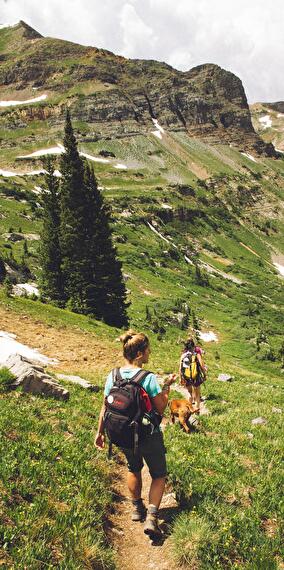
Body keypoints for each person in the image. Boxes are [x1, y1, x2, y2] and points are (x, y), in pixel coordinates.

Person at [95, 330, 175, 539]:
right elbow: (160, 408)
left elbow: (105, 406)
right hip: (148, 433)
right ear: (139, 354)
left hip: (121, 433)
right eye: (147, 350)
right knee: (158, 474)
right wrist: (166, 387)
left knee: (133, 467)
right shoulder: (147, 378)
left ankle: (136, 508)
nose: (150, 353)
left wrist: (99, 432)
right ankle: (151, 517)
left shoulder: (113, 375)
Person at [179, 338, 207, 411]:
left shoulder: (183, 355)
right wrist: (204, 374)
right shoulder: (196, 354)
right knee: (197, 393)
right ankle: (197, 407)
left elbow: (180, 368)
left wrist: (180, 378)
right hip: (196, 376)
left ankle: (189, 408)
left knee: (189, 392)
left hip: (186, 376)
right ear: (193, 346)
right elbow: (202, 365)